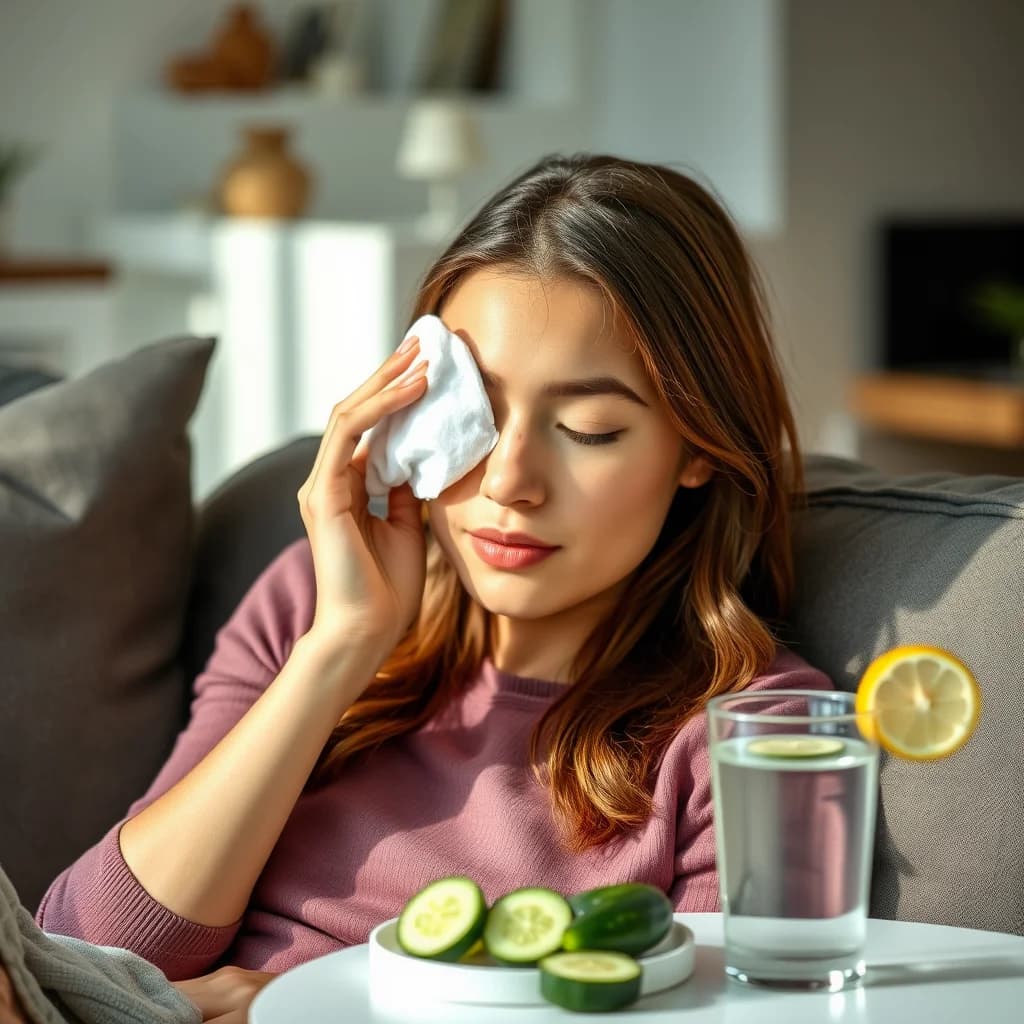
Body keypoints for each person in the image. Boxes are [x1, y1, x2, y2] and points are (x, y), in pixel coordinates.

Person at [36, 153, 831, 992]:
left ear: (697, 449)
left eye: (590, 428)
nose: (508, 480)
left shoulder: (755, 743)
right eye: (473, 410)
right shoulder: (312, 600)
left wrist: (328, 1009)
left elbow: (725, 1016)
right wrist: (340, 647)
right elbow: (89, 952)